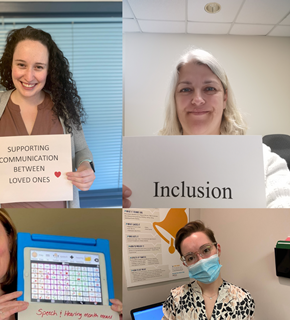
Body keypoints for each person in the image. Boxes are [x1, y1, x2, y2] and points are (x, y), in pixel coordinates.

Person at [123, 48, 290, 208]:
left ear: (225, 98)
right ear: (174, 100)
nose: (197, 100)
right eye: (186, 89)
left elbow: (283, 202)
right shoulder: (144, 162)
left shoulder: (262, 159)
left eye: (209, 89)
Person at [0, 26, 95, 208]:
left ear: (49, 70)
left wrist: (86, 167)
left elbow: (82, 151)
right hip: (5, 216)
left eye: (39, 67)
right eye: (21, 65)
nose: (29, 76)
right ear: (11, 64)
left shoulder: (64, 108)